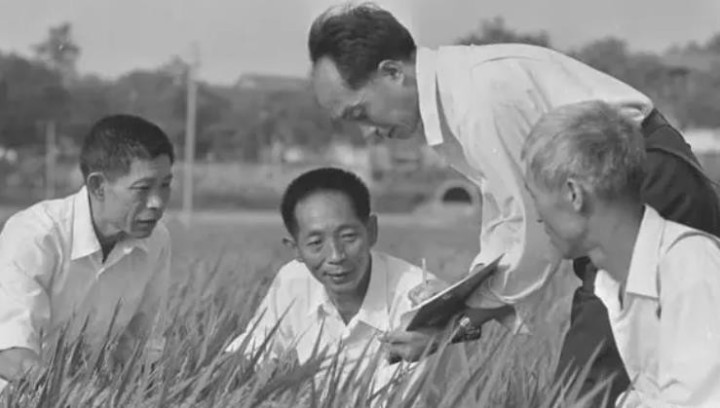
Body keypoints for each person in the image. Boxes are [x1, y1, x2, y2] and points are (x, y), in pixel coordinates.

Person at [307, 3, 720, 404]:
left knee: (588, 385)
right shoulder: (457, 95)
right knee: (630, 375)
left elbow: (530, 234)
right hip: (625, 187)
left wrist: (455, 319)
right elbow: (510, 224)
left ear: (393, 72)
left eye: (361, 113)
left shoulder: (478, 100)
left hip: (642, 184)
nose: (368, 134)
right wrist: (455, 310)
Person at [522, 100, 720, 407]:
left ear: (574, 194)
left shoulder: (688, 269)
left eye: (536, 197)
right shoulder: (617, 281)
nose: (537, 217)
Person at [225, 167, 449, 390]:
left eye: (348, 237)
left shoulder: (418, 298)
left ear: (371, 231)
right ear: (296, 249)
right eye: (316, 243)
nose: (336, 256)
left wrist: (447, 328)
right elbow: (252, 351)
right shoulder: (292, 283)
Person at [0, 115, 174, 392]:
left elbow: (140, 344)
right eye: (142, 189)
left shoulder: (157, 240)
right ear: (97, 186)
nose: (156, 202)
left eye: (165, 185)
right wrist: (80, 398)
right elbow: (11, 354)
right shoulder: (36, 235)